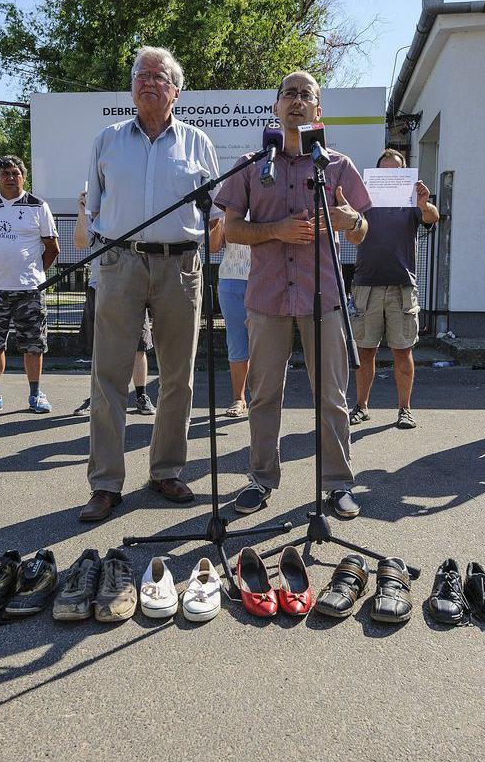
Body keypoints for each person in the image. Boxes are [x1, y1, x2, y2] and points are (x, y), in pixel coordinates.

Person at [215, 70, 372, 518]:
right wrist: (276, 231)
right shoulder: (250, 164)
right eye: (289, 94)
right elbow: (231, 228)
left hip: (323, 299)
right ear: (275, 107)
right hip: (266, 299)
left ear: (318, 110)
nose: (297, 101)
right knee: (265, 396)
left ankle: (338, 485)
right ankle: (261, 480)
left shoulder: (338, 166)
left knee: (332, 397)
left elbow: (362, 231)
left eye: (307, 95)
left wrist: (348, 221)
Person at [78, 46, 221, 523]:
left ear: (176, 91)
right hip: (120, 264)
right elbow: (93, 212)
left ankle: (166, 470)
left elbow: (216, 213)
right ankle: (105, 483)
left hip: (180, 267)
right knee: (109, 376)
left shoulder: (199, 144)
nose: (149, 82)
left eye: (160, 77)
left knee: (177, 376)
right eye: (141, 74)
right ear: (132, 86)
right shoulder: (106, 140)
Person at [350, 148, 439, 429]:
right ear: (376, 174)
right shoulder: (363, 199)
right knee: (365, 352)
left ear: (403, 173)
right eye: (384, 170)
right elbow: (352, 234)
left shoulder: (412, 199)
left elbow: (433, 217)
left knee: (403, 351)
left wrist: (424, 203)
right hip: (366, 284)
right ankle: (361, 406)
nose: (390, 175)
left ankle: (405, 409)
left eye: (396, 170)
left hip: (402, 286)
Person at [0, 155, 59, 417]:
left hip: (29, 290)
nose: (10, 177)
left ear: (23, 177)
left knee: (33, 345)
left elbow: (52, 248)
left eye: (15, 173)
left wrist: (35, 272)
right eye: (5, 173)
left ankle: (35, 394)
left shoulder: (38, 206)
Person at [73, 188, 155, 417]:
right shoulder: (93, 217)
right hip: (99, 287)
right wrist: (82, 211)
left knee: (139, 346)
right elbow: (80, 242)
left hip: (133, 287)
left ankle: (141, 396)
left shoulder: (130, 213)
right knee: (99, 348)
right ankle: (97, 395)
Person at [216, 228, 251, 418]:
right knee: (236, 341)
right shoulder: (226, 205)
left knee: (266, 343)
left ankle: (265, 400)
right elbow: (213, 246)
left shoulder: (271, 198)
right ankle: (239, 398)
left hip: (265, 278)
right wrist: (216, 221)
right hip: (231, 279)